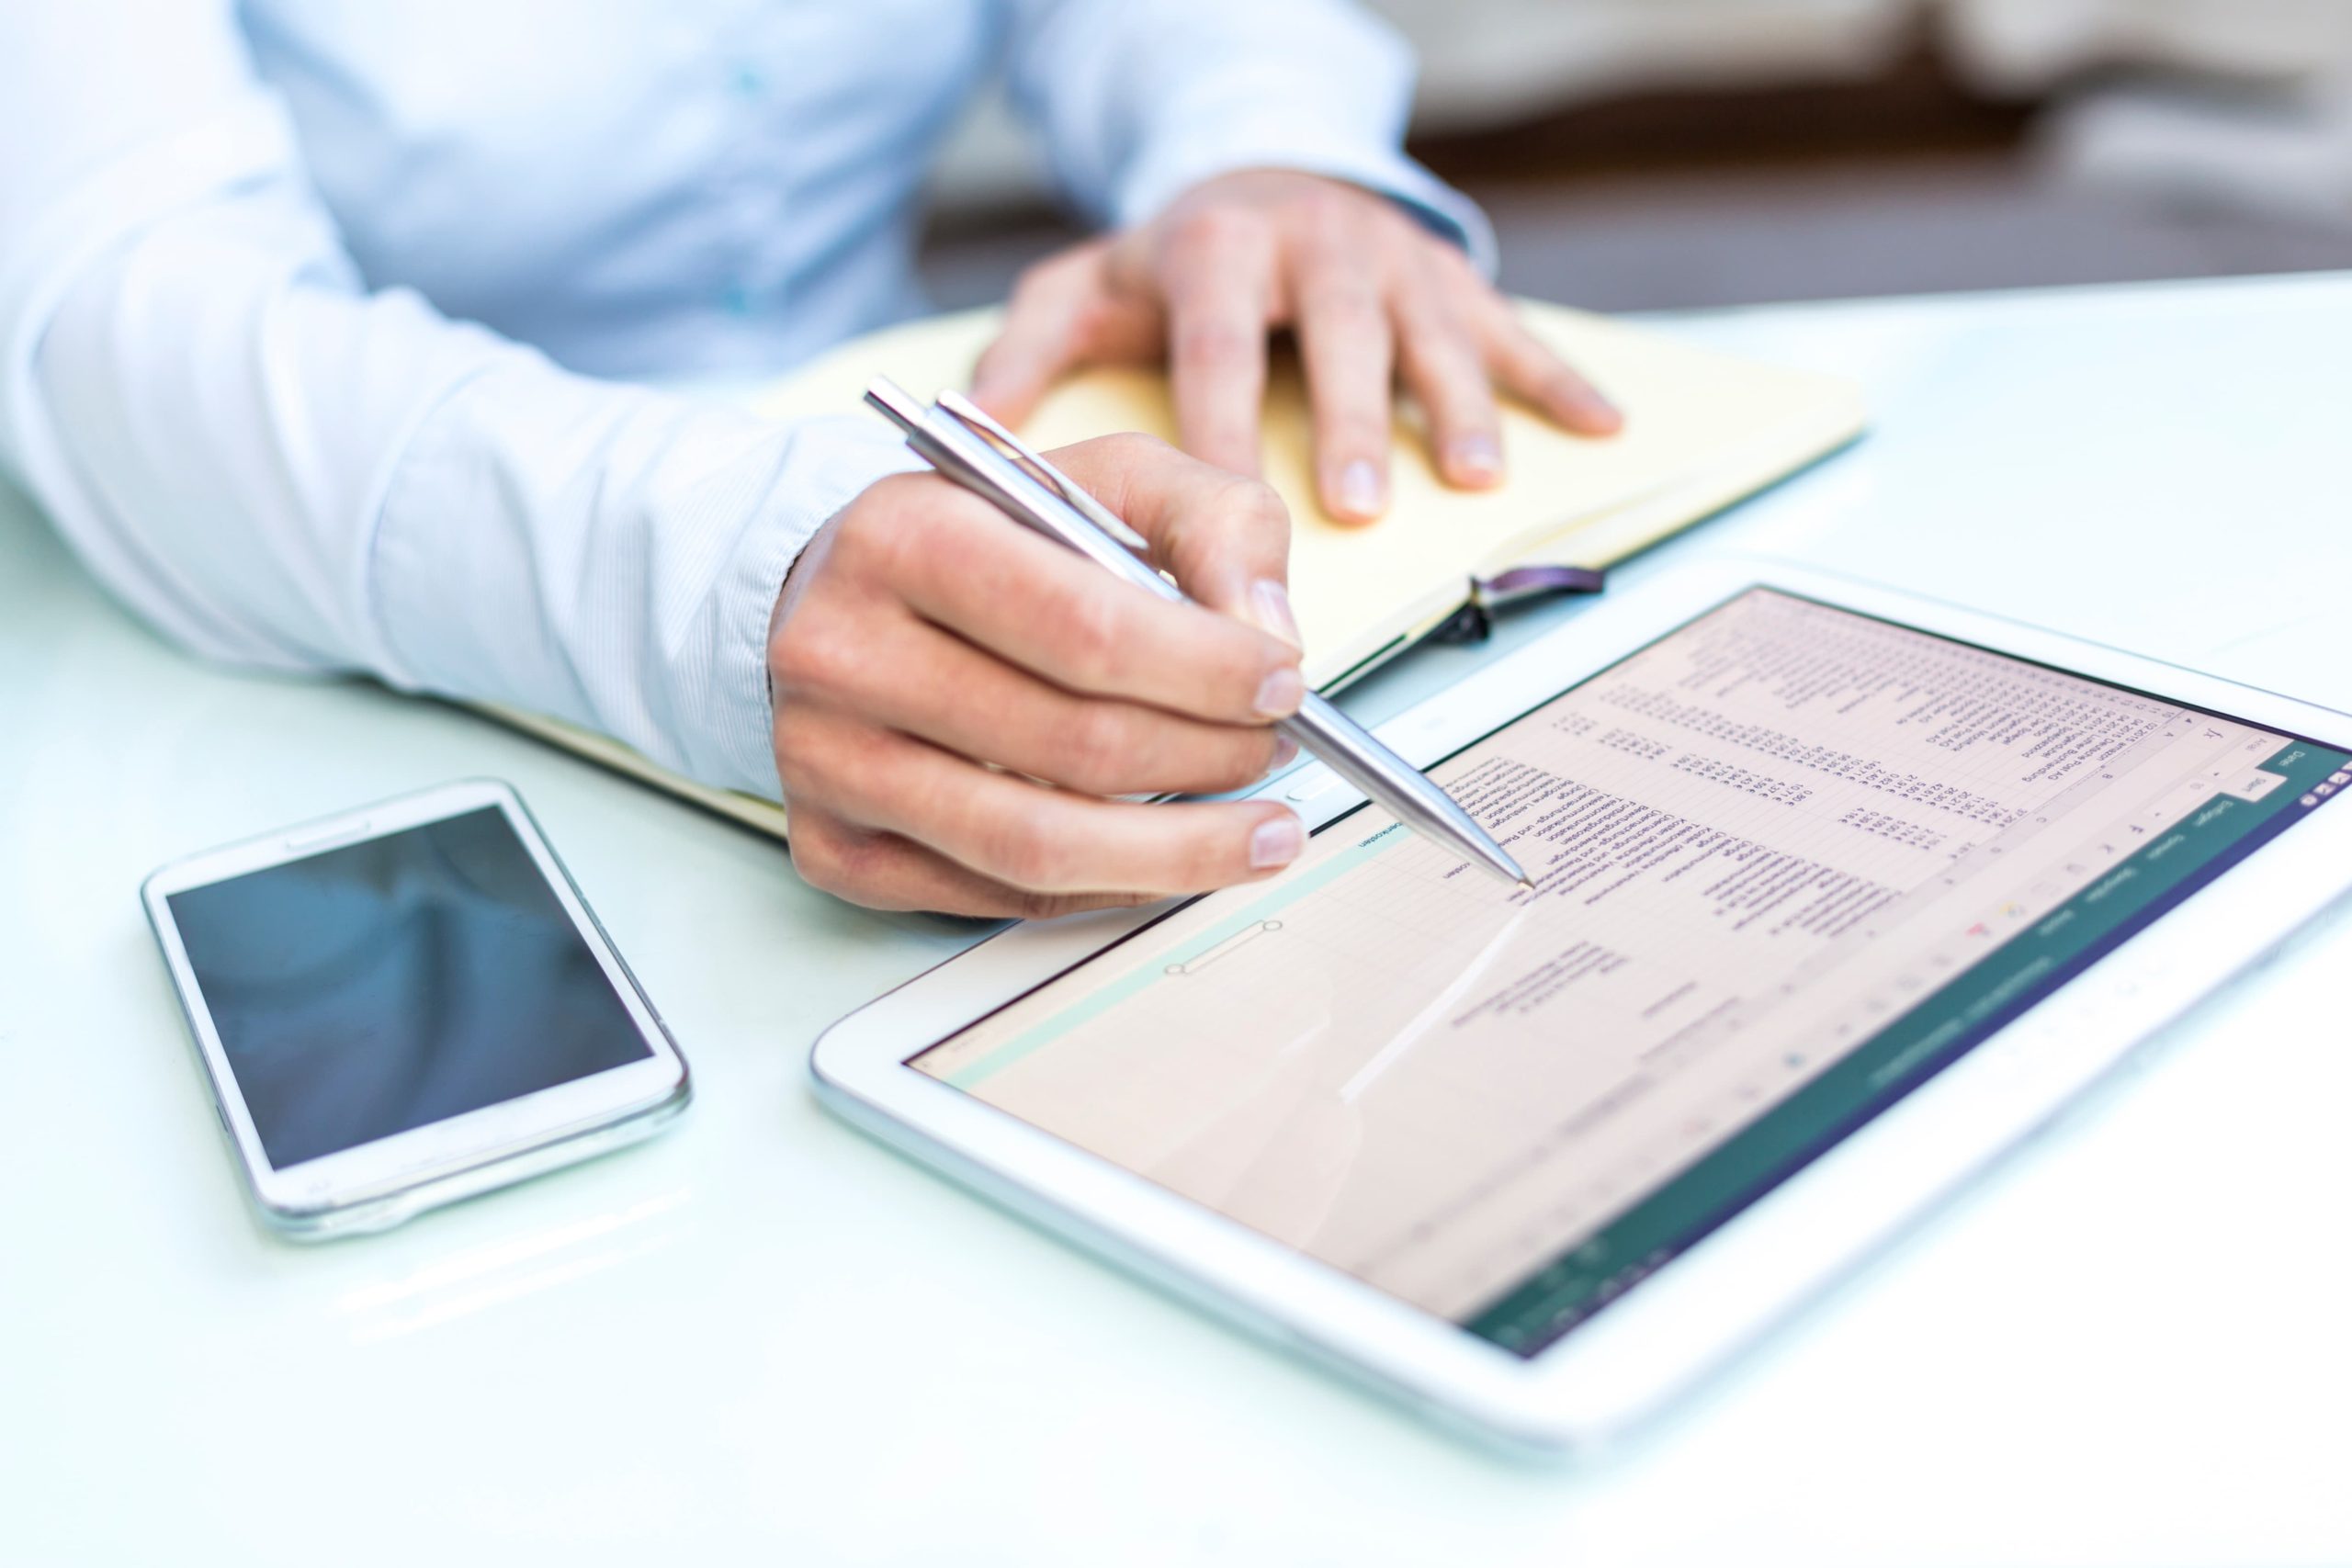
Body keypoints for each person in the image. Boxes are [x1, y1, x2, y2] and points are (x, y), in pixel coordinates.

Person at [0, 0, 1617, 917]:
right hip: (296, 663)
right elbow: (128, 313)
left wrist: (1259, 148)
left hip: (919, 485)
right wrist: (726, 574)